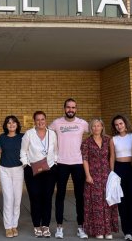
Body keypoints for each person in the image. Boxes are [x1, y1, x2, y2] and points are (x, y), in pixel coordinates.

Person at [50, 98, 88, 239]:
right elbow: (45, 136)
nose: (70, 109)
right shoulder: (56, 123)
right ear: (64, 108)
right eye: (68, 107)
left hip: (78, 163)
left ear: (76, 109)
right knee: (60, 195)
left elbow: (98, 134)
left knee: (80, 196)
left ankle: (81, 227)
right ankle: (59, 227)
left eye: (73, 107)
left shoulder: (83, 123)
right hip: (61, 163)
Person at [20, 111, 58, 238]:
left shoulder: (52, 134)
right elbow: (23, 151)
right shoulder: (29, 134)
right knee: (35, 198)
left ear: (46, 120)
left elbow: (56, 150)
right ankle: (37, 225)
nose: (40, 122)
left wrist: (55, 162)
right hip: (33, 170)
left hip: (50, 170)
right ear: (34, 121)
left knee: (47, 198)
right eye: (37, 120)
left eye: (42, 119)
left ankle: (46, 226)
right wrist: (26, 164)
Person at [81, 118, 118, 239]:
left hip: (107, 175)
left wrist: (112, 173)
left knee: (107, 202)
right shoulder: (86, 142)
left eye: (98, 126)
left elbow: (112, 156)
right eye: (93, 126)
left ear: (102, 127)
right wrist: (87, 175)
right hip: (93, 176)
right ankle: (98, 231)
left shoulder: (108, 140)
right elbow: (85, 159)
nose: (96, 128)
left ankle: (108, 230)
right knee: (95, 204)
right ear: (91, 129)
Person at [109, 115, 132, 241]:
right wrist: (112, 173)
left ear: (125, 123)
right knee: (122, 202)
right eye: (116, 124)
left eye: (121, 123)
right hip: (119, 169)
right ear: (114, 127)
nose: (119, 126)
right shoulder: (113, 139)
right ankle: (127, 232)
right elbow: (112, 157)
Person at [0, 115, 24, 238]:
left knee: (17, 199)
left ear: (17, 125)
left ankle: (14, 225)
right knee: (8, 199)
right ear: (6, 125)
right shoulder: (2, 138)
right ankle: (8, 227)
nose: (11, 125)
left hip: (18, 169)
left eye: (14, 123)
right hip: (4, 170)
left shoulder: (22, 137)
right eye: (8, 123)